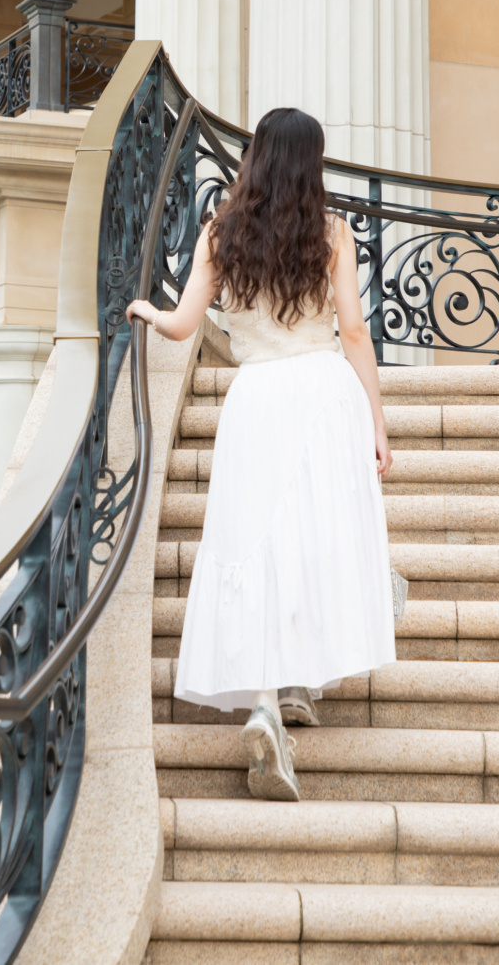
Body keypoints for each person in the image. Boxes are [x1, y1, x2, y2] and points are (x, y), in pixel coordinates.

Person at [126, 107, 397, 802]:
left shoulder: (222, 233)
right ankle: (298, 680)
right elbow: (356, 333)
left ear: (254, 157)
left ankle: (271, 701)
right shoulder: (332, 233)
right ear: (313, 162)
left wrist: (147, 313)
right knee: (310, 540)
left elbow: (184, 324)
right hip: (323, 392)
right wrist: (377, 421)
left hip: (255, 400)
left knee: (253, 544)